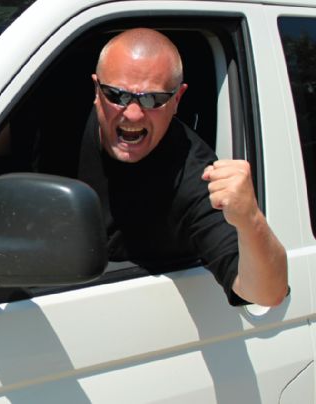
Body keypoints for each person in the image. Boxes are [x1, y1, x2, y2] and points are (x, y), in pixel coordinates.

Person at [81, 27, 288, 306]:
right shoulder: (54, 124)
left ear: (177, 99)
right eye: (117, 95)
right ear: (97, 90)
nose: (133, 113)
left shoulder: (196, 175)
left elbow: (268, 293)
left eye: (153, 99)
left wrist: (249, 218)